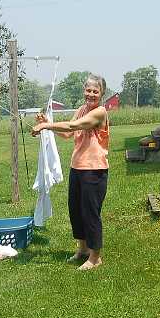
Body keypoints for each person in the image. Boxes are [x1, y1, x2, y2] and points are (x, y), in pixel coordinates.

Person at [31, 74, 110, 271]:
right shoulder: (81, 109)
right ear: (84, 91)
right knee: (76, 211)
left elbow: (74, 125)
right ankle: (82, 250)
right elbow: (68, 133)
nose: (91, 94)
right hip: (77, 167)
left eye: (95, 91)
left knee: (91, 213)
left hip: (95, 170)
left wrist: (45, 125)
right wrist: (48, 123)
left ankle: (95, 257)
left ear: (101, 94)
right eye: (88, 90)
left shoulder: (100, 112)